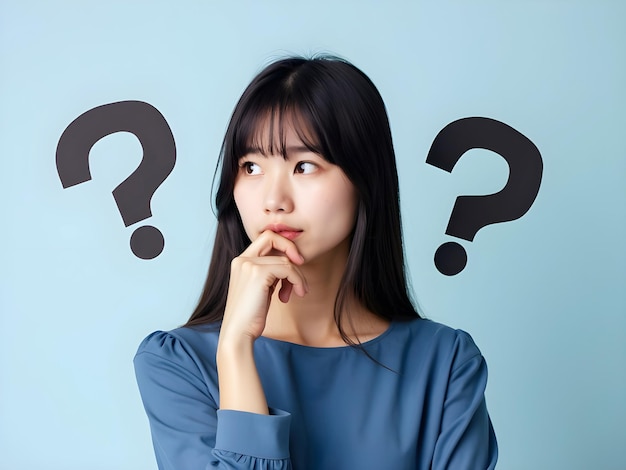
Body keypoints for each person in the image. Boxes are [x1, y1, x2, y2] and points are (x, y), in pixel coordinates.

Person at [134, 55, 498, 469]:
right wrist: (234, 349)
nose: (274, 200)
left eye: (304, 166)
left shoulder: (445, 364)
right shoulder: (177, 365)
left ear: (365, 179)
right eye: (251, 166)